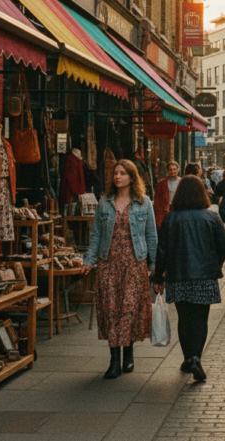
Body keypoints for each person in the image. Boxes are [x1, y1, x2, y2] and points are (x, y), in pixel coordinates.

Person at [82, 160, 158, 379]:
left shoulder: (144, 203)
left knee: (130, 309)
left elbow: (151, 236)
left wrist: (155, 267)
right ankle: (114, 359)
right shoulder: (104, 202)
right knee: (112, 309)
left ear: (132, 177)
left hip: (135, 262)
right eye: (115, 173)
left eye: (123, 173)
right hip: (109, 262)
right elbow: (96, 235)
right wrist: (89, 261)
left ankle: (129, 352)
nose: (117, 177)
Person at [151, 176, 225, 381]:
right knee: (200, 318)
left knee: (184, 318)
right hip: (204, 276)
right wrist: (216, 265)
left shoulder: (171, 218)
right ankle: (196, 357)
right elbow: (223, 246)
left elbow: (162, 250)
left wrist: (158, 275)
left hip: (178, 275)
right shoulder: (211, 217)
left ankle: (187, 358)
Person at [153, 161, 180, 230]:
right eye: (170, 170)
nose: (172, 171)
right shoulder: (161, 183)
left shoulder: (182, 181)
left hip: (179, 209)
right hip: (165, 210)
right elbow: (157, 199)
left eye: (174, 169)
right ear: (167, 171)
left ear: (178, 169)